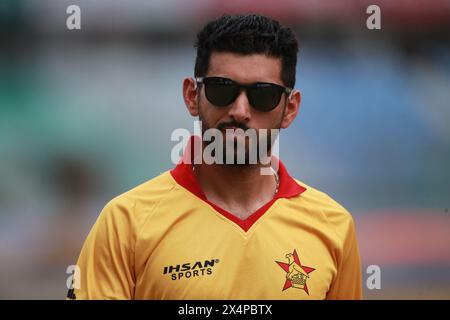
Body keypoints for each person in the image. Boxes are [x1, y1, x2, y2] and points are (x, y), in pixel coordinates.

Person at [69, 14, 362, 300]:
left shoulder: (332, 225)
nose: (240, 111)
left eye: (263, 95)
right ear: (192, 96)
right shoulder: (125, 223)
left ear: (290, 108)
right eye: (222, 89)